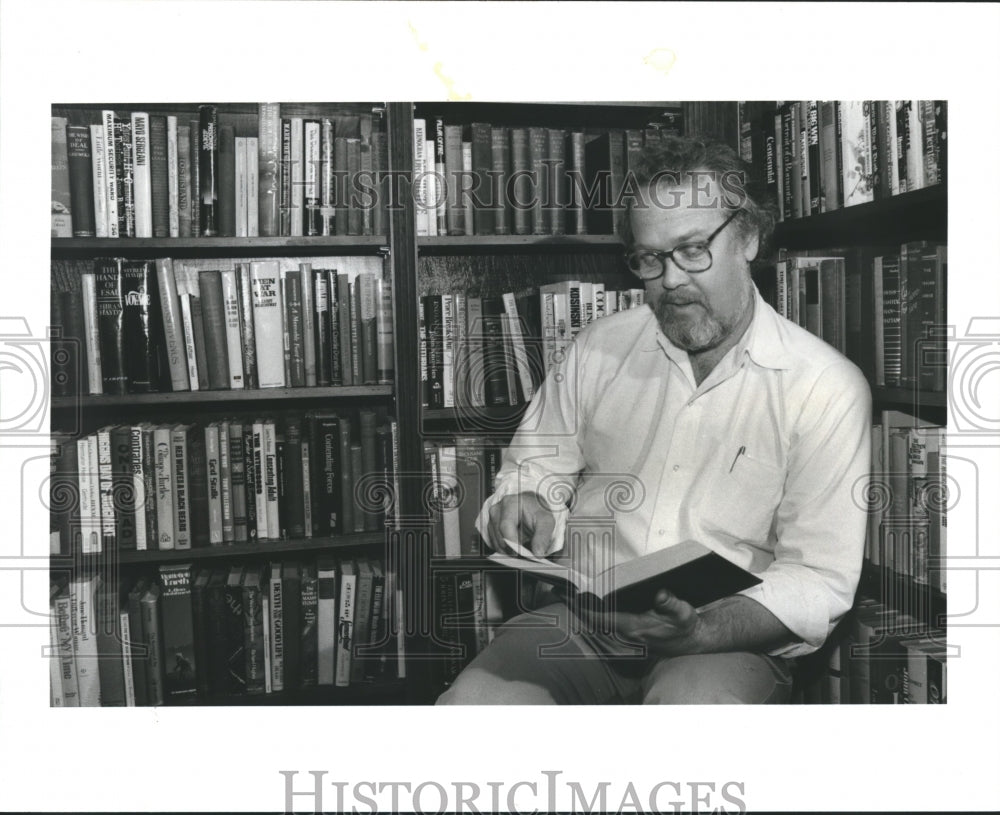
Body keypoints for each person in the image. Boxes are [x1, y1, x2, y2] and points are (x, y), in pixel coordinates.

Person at [436, 136, 872, 705]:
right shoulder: (598, 347)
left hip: (725, 640)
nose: (669, 281)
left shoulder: (824, 387)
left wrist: (703, 629)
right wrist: (526, 503)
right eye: (649, 258)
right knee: (470, 714)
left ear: (749, 237)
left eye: (693, 249)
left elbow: (821, 579)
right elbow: (530, 471)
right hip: (583, 627)